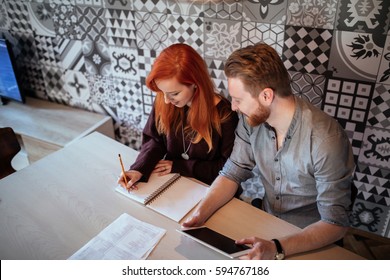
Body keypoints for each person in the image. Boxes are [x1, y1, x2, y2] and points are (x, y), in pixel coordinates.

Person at [183, 43, 355, 260]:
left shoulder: (326, 140)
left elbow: (335, 224)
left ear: (266, 96)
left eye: (238, 100)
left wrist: (277, 247)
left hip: (308, 239)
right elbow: (232, 172)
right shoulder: (250, 121)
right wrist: (200, 214)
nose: (234, 107)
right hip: (266, 222)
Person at [118, 43, 238, 190]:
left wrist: (181, 166)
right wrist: (139, 169)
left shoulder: (225, 115)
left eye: (175, 94)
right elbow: (154, 140)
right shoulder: (165, 100)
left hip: (210, 190)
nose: (167, 100)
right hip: (173, 184)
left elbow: (228, 169)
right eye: (162, 92)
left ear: (195, 83)